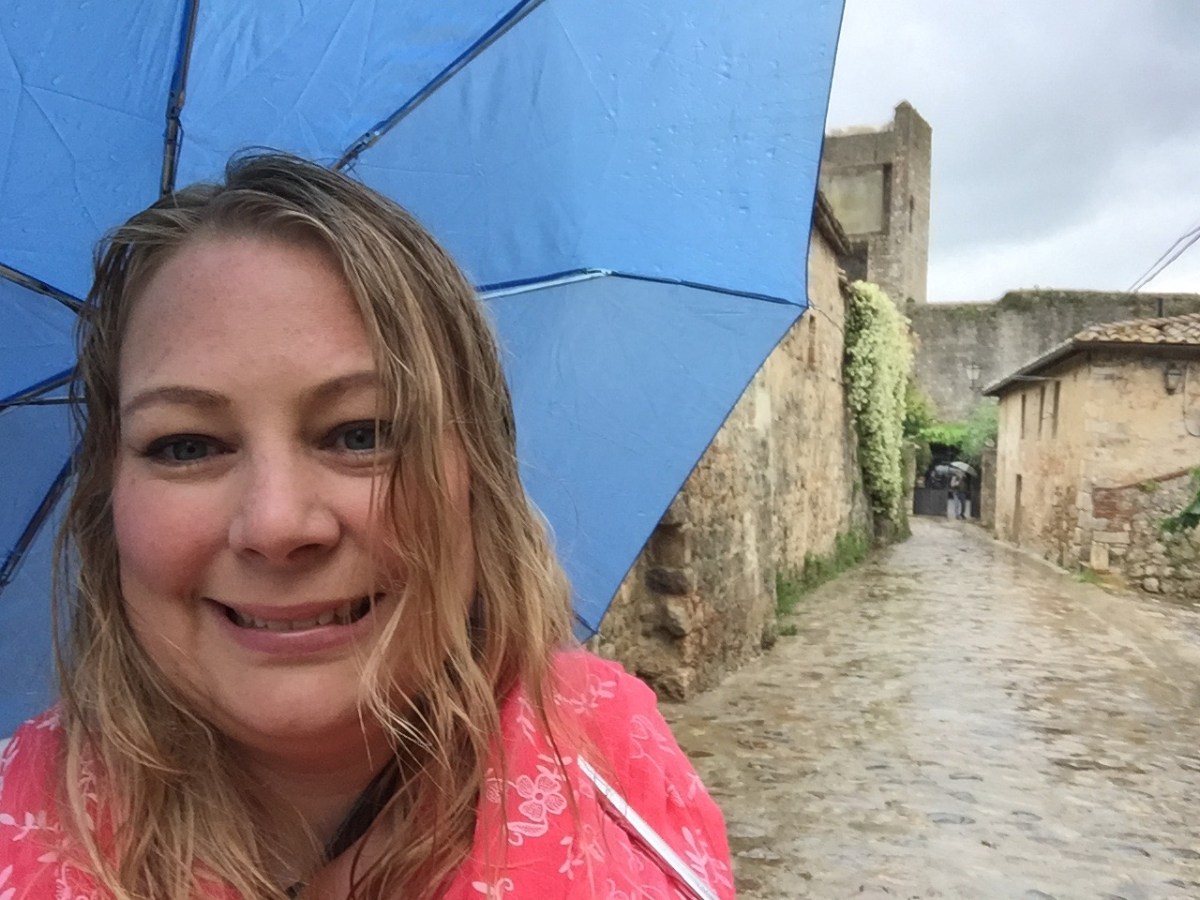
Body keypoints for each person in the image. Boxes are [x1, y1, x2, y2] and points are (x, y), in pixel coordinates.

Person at [0, 153, 733, 899]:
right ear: (107, 501)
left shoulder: (618, 773)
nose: (277, 524)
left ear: (478, 474)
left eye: (362, 433)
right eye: (187, 446)